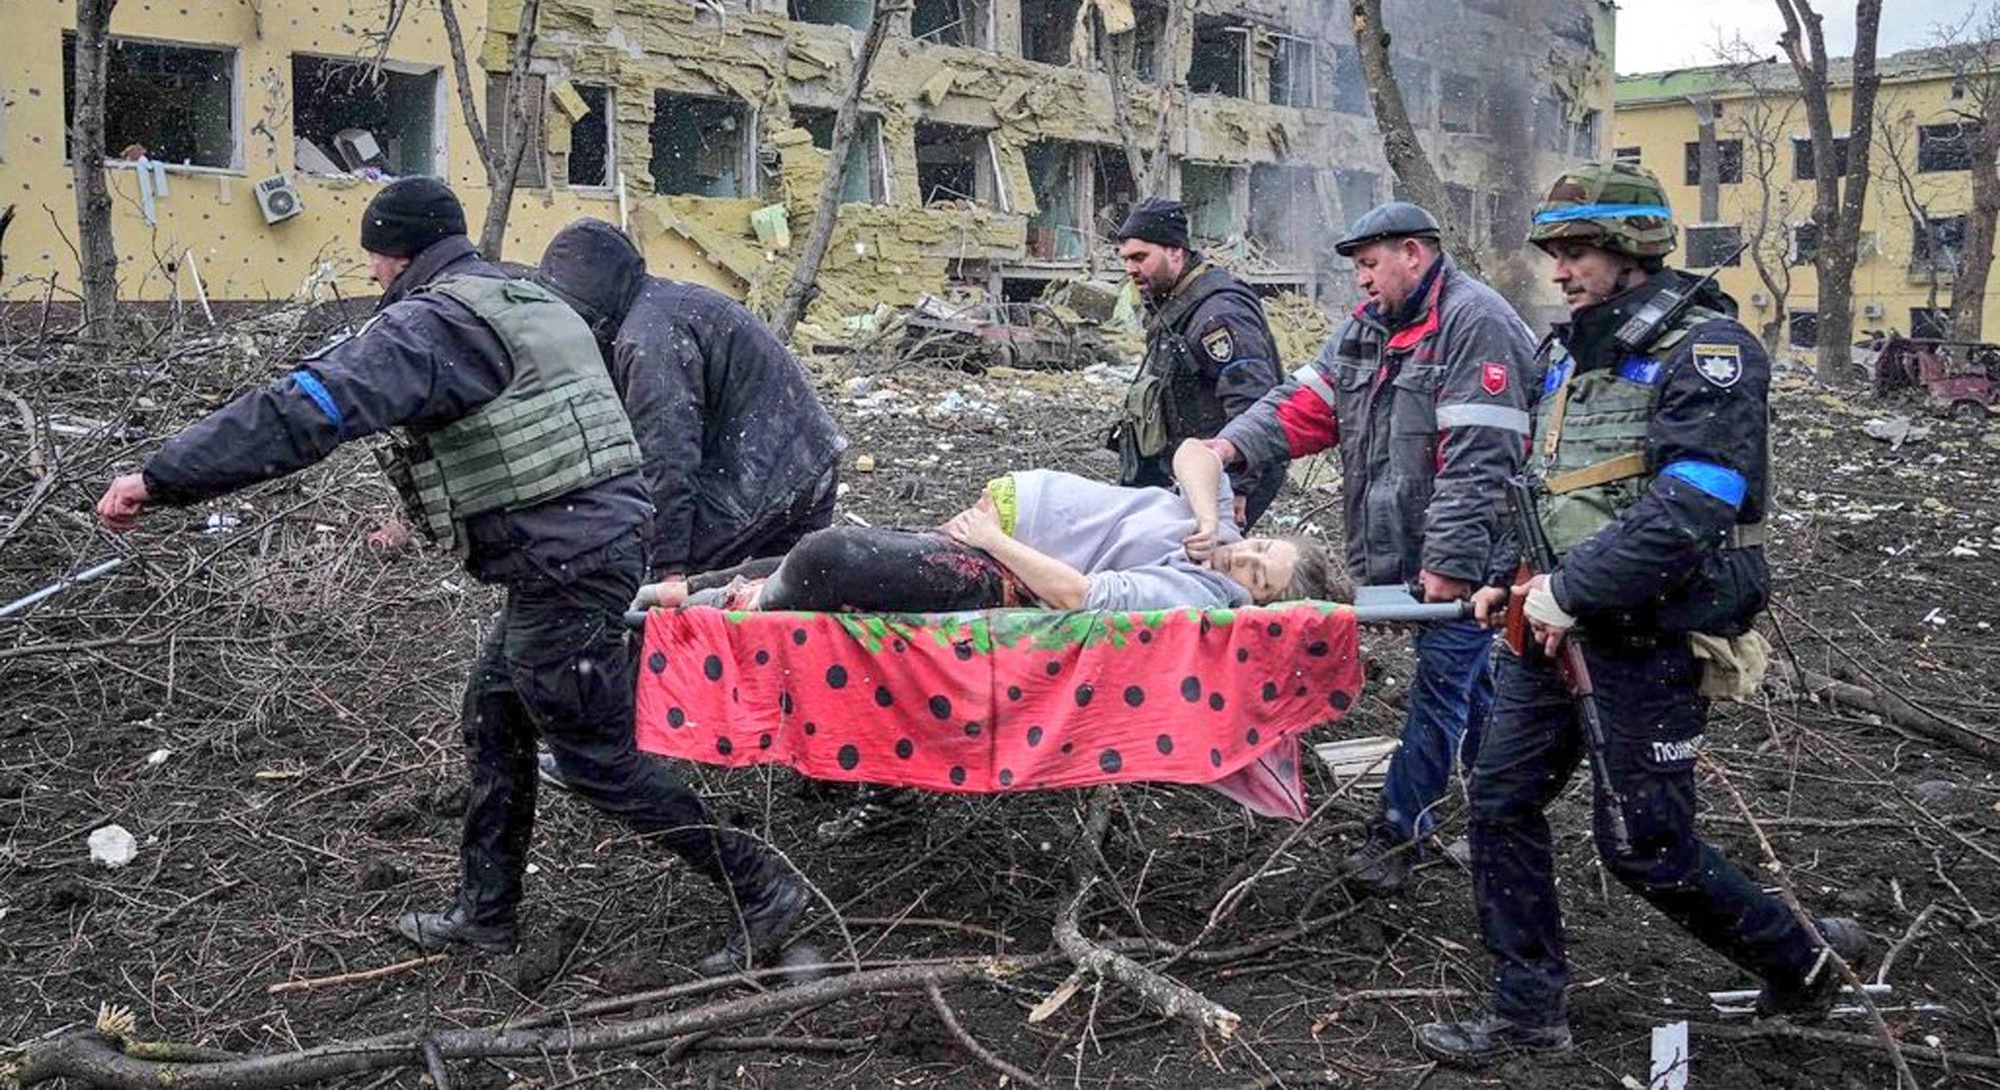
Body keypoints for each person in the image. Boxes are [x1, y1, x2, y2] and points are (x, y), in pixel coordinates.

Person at [93, 178, 805, 975]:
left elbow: (305, 410)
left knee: (596, 756)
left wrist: (162, 479)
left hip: (566, 559)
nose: (368, 275)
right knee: (494, 715)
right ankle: (484, 915)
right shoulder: (520, 294)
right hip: (587, 545)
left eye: (371, 256)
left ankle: (761, 885)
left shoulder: (432, 326)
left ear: (396, 253)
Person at [1416, 163, 1867, 1065]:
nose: (1561, 268)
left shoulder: (1709, 351)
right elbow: (1550, 491)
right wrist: (1515, 579)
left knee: (1645, 848)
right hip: (1549, 630)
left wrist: (1569, 592)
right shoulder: (1568, 352)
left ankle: (1805, 964)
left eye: (1577, 250)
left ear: (1631, 251)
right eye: (1555, 251)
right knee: (1499, 801)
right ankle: (1527, 1016)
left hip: (1646, 636)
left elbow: (1694, 504)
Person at [1204, 200, 1536, 893]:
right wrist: (1230, 448)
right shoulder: (1367, 331)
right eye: (1356, 267)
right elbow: (1301, 406)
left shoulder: (1477, 325)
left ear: (1414, 253)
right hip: (1408, 554)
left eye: (1370, 264)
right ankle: (1501, 810)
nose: (1360, 280)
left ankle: (1398, 831)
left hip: (1473, 556)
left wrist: (1448, 565)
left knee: (1442, 686)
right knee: (1470, 685)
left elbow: (1482, 460)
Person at [669, 440, 1335, 614]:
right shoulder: (1215, 535)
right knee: (804, 561)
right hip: (996, 526)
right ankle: (674, 593)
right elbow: (1196, 453)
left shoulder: (1198, 595)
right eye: (1260, 547)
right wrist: (1214, 515)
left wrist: (993, 541)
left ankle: (722, 610)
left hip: (1002, 567)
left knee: (829, 556)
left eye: (1257, 577)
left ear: (1256, 606)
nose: (1241, 559)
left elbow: (1078, 595)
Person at [538, 219, 845, 580]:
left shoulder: (649, 338)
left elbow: (667, 455)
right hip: (803, 459)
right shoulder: (661, 306)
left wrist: (667, 565)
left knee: (646, 588)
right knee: (772, 606)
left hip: (768, 475)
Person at [1107, 196, 1288, 528]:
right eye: (1126, 259)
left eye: (1140, 257)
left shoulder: (1218, 314)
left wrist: (1237, 485)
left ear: (1176, 251)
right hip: (1191, 471)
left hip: (1221, 475)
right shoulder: (1176, 305)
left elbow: (1252, 402)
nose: (1130, 269)